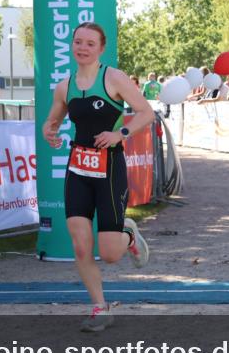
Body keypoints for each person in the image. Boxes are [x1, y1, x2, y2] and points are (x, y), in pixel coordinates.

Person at [41, 22, 153, 332]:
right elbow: (53, 120)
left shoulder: (114, 78)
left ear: (101, 48)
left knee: (110, 254)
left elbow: (146, 112)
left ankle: (128, 235)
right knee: (79, 246)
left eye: (90, 43)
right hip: (77, 169)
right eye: (78, 42)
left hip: (110, 169)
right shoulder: (65, 86)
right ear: (72, 45)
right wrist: (48, 131)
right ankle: (100, 308)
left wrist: (121, 133)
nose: (83, 48)